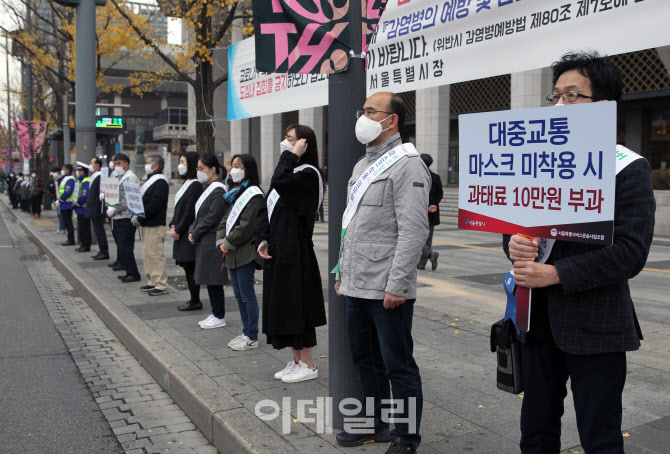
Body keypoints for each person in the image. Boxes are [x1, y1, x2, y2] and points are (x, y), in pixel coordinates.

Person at [504, 51, 656, 454]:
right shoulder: (539, 164)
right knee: (535, 432)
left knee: (600, 437)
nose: (559, 105)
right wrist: (514, 244)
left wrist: (556, 274)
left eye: (572, 96)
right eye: (555, 96)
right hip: (536, 326)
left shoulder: (628, 168)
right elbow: (515, 232)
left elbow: (630, 252)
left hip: (597, 327)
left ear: (603, 106)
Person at [333, 93, 430, 454]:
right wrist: (343, 272)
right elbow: (353, 226)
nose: (362, 116)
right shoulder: (362, 166)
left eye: (370, 111)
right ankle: (374, 425)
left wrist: (398, 284)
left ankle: (407, 437)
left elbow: (413, 231)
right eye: (363, 110)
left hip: (388, 288)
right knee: (365, 358)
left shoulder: (408, 165)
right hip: (357, 283)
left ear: (391, 121)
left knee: (398, 364)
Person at [256, 124, 326, 383]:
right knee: (285, 306)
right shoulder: (291, 170)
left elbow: (280, 182)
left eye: (290, 140)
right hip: (279, 249)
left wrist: (291, 156)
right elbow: (267, 207)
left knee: (299, 308)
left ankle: (308, 364)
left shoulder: (308, 175)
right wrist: (263, 239)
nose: (285, 144)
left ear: (304, 144)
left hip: (296, 252)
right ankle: (296, 360)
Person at [216, 154, 264, 351]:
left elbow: (246, 225)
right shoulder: (235, 192)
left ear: (248, 169)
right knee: (238, 295)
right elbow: (225, 219)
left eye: (238, 166)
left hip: (244, 252)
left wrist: (228, 241)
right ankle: (245, 332)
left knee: (247, 295)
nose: (234, 169)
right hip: (231, 253)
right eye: (232, 165)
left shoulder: (254, 194)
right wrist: (221, 240)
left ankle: (252, 335)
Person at [189, 154, 228, 329]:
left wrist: (195, 232)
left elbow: (212, 216)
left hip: (212, 239)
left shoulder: (218, 189)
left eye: (202, 169)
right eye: (198, 169)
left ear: (212, 169)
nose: (199, 172)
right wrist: (193, 231)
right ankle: (215, 313)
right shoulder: (210, 187)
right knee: (209, 278)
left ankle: (219, 315)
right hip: (205, 239)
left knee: (214, 278)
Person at [170, 152, 204, 311]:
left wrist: (178, 228)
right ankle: (193, 299)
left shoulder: (196, 184)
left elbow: (190, 211)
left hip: (187, 232)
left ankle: (195, 300)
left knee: (190, 267)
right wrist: (172, 225)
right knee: (187, 267)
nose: (180, 165)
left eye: (183, 162)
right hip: (181, 232)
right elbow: (179, 209)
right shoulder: (187, 183)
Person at [133, 155, 170, 296]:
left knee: (155, 255)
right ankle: (152, 281)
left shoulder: (160, 182)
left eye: (148, 163)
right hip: (147, 224)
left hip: (154, 224)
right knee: (147, 254)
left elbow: (155, 204)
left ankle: (160, 284)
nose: (146, 165)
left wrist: (141, 217)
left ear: (156, 166)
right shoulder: (150, 180)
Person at [106, 153, 141, 283]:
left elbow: (128, 200)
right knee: (121, 246)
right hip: (118, 217)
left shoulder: (130, 178)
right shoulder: (120, 177)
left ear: (126, 164)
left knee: (126, 247)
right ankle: (128, 270)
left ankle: (133, 273)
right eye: (115, 164)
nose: (116, 166)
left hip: (126, 217)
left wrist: (114, 208)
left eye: (119, 163)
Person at [417, 154, 443, 271]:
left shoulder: (418, 176)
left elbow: (418, 195)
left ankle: (429, 253)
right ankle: (422, 264)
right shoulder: (436, 177)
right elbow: (440, 194)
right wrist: (434, 204)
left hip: (420, 212)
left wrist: (426, 206)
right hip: (432, 212)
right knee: (428, 237)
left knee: (417, 237)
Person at [85, 158, 110, 260]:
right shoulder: (94, 176)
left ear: (97, 165)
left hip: (97, 208)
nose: (90, 165)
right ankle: (101, 250)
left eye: (92, 163)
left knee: (99, 230)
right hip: (93, 207)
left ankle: (104, 251)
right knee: (97, 230)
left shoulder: (100, 176)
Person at [56, 164, 76, 245]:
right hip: (64, 203)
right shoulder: (65, 178)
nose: (62, 170)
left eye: (63, 169)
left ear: (68, 170)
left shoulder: (70, 179)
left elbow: (67, 192)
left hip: (67, 203)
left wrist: (60, 201)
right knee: (67, 222)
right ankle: (69, 239)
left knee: (68, 223)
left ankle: (71, 240)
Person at [73, 163, 91, 252]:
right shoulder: (80, 180)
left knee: (84, 228)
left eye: (79, 171)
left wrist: (77, 203)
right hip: (80, 209)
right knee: (81, 228)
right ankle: (83, 244)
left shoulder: (86, 181)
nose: (78, 172)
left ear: (83, 171)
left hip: (83, 208)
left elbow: (84, 196)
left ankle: (86, 245)